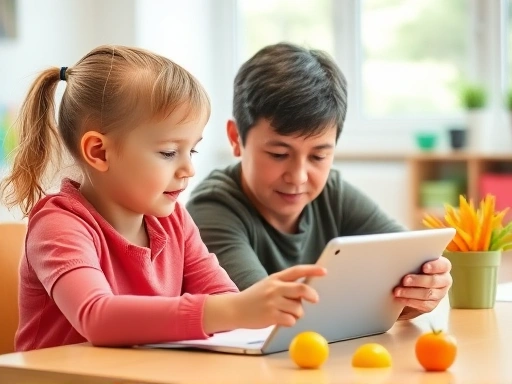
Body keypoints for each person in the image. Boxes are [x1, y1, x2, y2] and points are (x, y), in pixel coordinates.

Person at [0, 45, 327, 352]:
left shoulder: (174, 221)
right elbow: (97, 317)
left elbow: (224, 297)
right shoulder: (57, 225)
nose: (188, 169)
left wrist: (253, 308)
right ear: (99, 152)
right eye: (169, 152)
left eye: (192, 149)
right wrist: (233, 310)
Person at [186, 42, 452, 320]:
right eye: (279, 154)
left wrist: (423, 287)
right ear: (235, 138)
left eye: (318, 156)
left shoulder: (331, 192)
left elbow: (407, 258)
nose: (298, 176)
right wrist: (385, 300)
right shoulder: (212, 209)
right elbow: (263, 314)